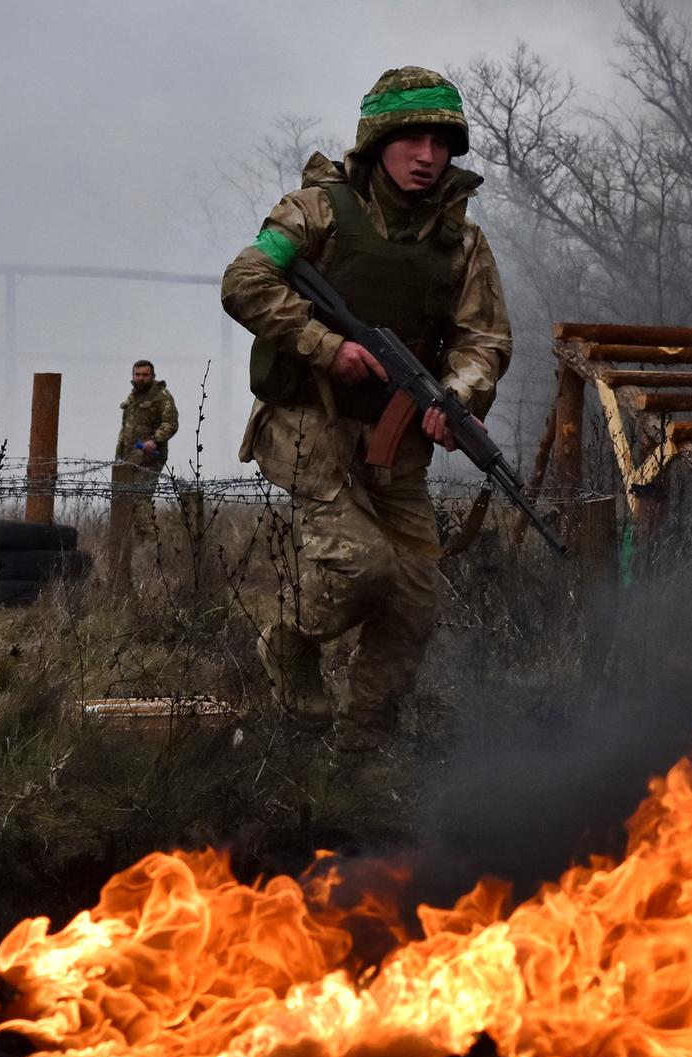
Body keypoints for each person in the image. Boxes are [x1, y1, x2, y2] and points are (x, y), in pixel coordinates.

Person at [221, 66, 511, 751]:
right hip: (307, 427)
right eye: (410, 139)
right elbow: (246, 279)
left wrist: (457, 399)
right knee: (360, 564)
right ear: (378, 142)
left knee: (414, 600)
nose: (427, 156)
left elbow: (484, 338)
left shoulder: (462, 242)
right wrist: (326, 345)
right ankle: (288, 643)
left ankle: (363, 746)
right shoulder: (318, 209)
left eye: (441, 143)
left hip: (396, 440)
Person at [111, 360, 178, 567]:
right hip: (127, 459)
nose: (140, 378)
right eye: (137, 374)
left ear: (153, 376)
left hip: (150, 459)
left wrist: (154, 440)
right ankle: (125, 552)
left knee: (140, 500)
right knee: (123, 503)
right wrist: (120, 456)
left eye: (145, 375)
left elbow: (171, 424)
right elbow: (126, 430)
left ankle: (150, 548)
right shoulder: (132, 398)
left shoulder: (161, 396)